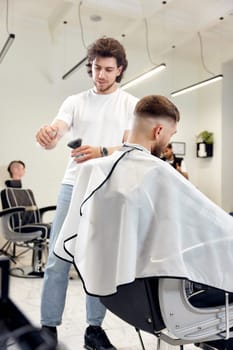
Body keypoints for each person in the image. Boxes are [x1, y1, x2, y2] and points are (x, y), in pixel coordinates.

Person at [54, 95, 233, 350]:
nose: (168, 141)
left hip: (127, 300)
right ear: (159, 130)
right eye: (171, 134)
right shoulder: (158, 172)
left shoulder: (98, 170)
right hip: (168, 303)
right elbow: (216, 225)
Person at [35, 37, 138, 349]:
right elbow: (56, 132)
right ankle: (47, 327)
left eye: (108, 69)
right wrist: (48, 135)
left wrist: (103, 150)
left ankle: (94, 330)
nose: (101, 75)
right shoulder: (75, 101)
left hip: (108, 190)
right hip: (73, 186)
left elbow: (133, 145)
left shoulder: (130, 104)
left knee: (99, 263)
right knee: (57, 259)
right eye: (96, 68)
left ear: (119, 70)